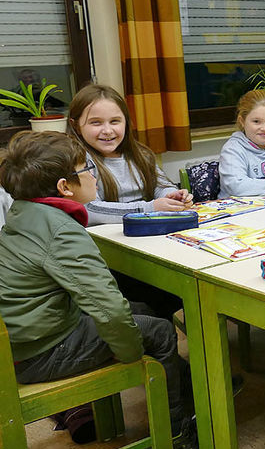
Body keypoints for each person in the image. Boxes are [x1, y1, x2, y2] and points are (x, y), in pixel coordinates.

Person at [0, 131, 200, 449]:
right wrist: (130, 354)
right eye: (87, 170)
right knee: (161, 333)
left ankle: (188, 394)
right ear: (65, 187)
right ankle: (174, 441)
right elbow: (108, 310)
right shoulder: (63, 230)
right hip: (37, 352)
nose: (94, 175)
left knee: (142, 311)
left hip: (17, 341)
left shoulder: (25, 212)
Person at [68, 84, 190, 320]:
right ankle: (151, 339)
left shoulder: (140, 154)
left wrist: (170, 195)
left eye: (115, 121)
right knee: (162, 295)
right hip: (111, 260)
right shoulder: (78, 161)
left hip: (151, 245)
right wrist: (149, 208)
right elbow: (89, 208)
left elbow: (160, 185)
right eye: (95, 123)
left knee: (183, 283)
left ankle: (158, 337)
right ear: (75, 124)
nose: (107, 130)